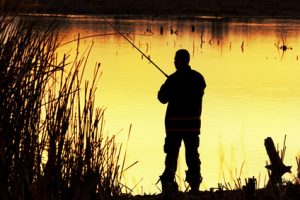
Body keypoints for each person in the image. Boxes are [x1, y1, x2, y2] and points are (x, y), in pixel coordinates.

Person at [158, 49, 206, 193]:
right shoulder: (198, 78)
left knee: (172, 155)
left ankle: (168, 186)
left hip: (174, 126)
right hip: (192, 126)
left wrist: (172, 83)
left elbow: (161, 98)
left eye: (175, 59)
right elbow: (201, 89)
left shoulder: (172, 80)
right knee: (192, 155)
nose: (173, 61)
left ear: (180, 61)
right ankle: (195, 186)